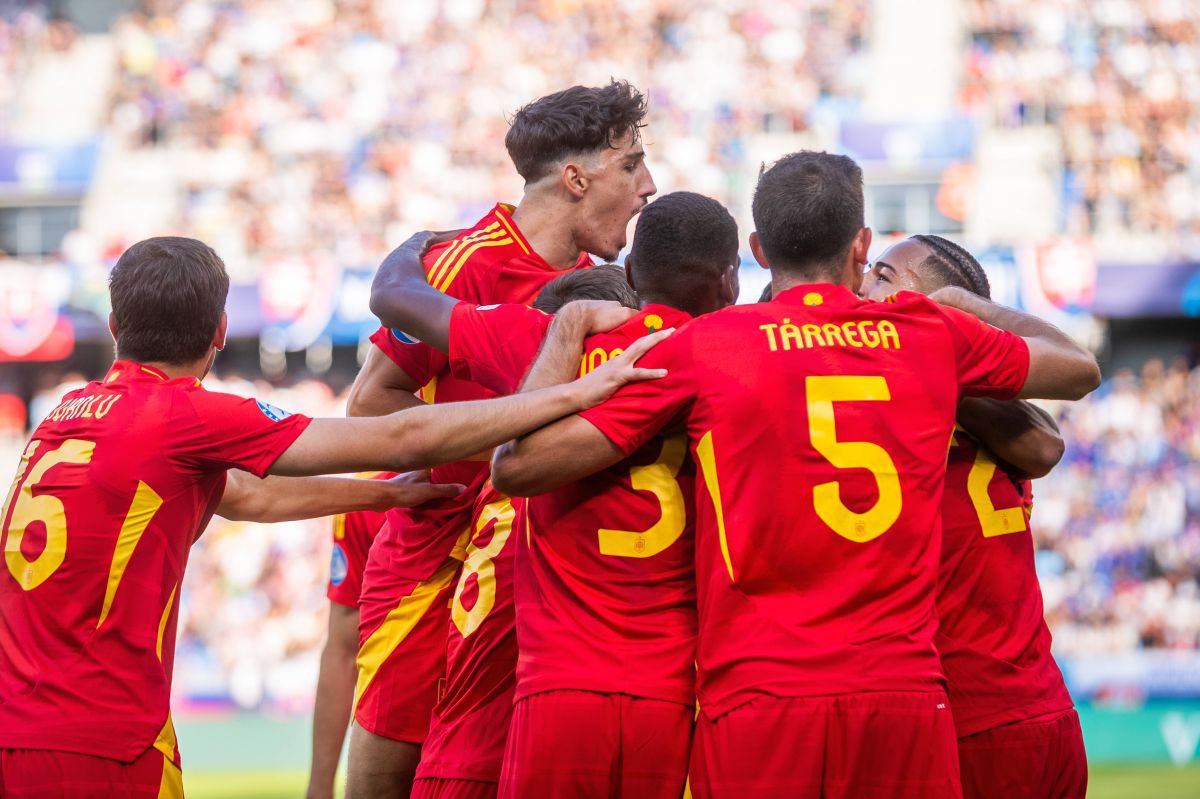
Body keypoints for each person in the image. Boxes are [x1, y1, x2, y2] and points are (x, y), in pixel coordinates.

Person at [491, 151, 1101, 797]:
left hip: (759, 698)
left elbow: (521, 466)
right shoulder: (928, 330)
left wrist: (568, 329)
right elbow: (1077, 369)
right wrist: (958, 303)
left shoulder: (712, 343)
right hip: (902, 696)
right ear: (861, 245)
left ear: (757, 249)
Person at [0, 236, 666, 798]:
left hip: (14, 725)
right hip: (100, 741)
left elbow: (245, 496)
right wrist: (571, 393)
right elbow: (400, 437)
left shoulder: (62, 417)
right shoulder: (184, 415)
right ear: (221, 331)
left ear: (115, 327)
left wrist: (383, 497)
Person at [370, 191, 740, 798]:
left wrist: (415, 247)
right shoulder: (737, 354)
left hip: (561, 676)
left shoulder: (548, 337)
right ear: (730, 280)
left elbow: (395, 298)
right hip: (675, 684)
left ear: (628, 273)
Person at [345, 79, 657, 799]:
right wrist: (487, 467)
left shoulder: (600, 286)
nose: (648, 185)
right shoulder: (466, 263)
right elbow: (371, 400)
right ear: (576, 178)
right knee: (394, 766)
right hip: (439, 557)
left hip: (542, 562)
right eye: (632, 163)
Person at [860, 235, 1088, 799]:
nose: (863, 286)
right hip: (1034, 707)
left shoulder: (939, 400)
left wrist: (961, 314)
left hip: (970, 719)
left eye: (883, 277)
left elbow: (1048, 440)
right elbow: (1044, 446)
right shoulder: (981, 412)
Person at [307, 471, 396, 799]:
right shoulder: (371, 492)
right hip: (398, 734)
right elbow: (343, 650)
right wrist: (320, 787)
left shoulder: (517, 476)